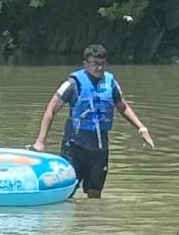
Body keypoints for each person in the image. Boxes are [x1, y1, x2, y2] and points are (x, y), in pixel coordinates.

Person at [33, 45, 154, 197]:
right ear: (85, 64)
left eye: (102, 64)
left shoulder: (111, 83)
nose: (99, 68)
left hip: (99, 148)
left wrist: (141, 128)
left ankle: (91, 213)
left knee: (95, 194)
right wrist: (41, 141)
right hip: (74, 146)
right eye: (95, 64)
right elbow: (51, 110)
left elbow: (122, 107)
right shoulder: (72, 84)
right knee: (69, 190)